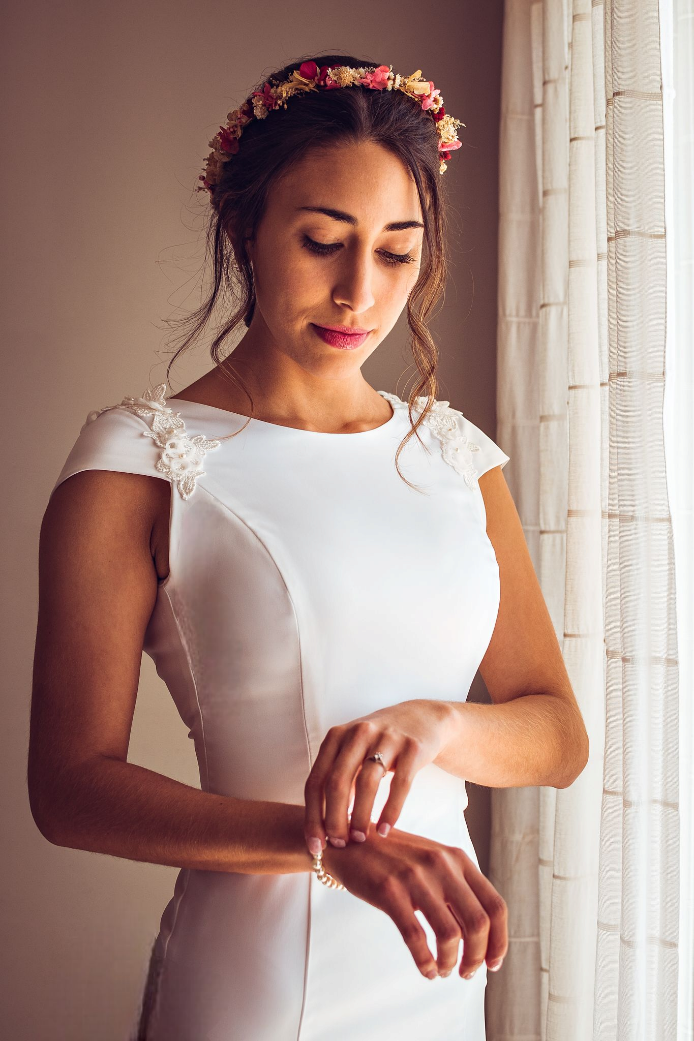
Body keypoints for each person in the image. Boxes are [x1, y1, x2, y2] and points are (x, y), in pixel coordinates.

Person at [28, 54, 589, 1041]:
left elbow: (556, 738)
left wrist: (435, 727)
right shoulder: (139, 460)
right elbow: (68, 790)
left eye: (395, 251)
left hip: (436, 970)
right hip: (254, 981)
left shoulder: (456, 459)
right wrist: (325, 843)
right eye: (323, 242)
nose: (356, 293)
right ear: (245, 227)